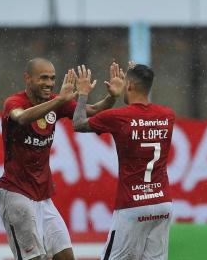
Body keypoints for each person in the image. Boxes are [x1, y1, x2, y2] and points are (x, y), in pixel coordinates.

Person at [0, 57, 123, 260]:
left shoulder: (56, 101)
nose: (49, 83)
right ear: (27, 78)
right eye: (43, 78)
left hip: (43, 198)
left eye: (52, 78)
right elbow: (21, 117)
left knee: (66, 256)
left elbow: (89, 112)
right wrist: (59, 100)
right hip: (15, 194)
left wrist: (111, 97)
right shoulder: (15, 102)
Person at [73, 62, 175, 260]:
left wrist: (84, 93)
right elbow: (141, 116)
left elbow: (78, 124)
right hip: (163, 203)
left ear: (129, 85)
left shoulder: (118, 117)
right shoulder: (168, 115)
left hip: (133, 205)